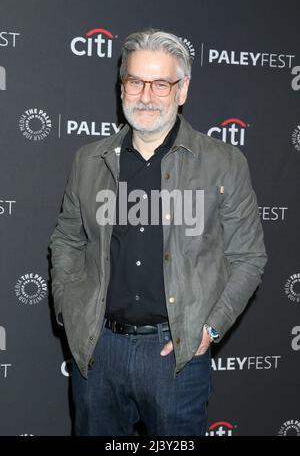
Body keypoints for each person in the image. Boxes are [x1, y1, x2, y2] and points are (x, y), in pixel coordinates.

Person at [49, 29, 267, 436]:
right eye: (135, 81)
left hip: (176, 356)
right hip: (98, 353)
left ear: (182, 90)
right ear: (122, 87)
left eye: (161, 83)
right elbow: (66, 239)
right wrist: (70, 309)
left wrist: (210, 330)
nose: (145, 95)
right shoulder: (88, 161)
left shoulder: (223, 162)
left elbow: (249, 258)